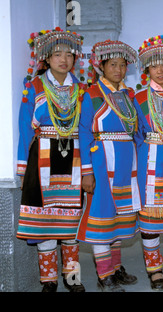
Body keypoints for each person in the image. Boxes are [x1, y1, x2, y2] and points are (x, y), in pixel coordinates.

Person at [16, 27, 86, 292]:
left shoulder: (81, 90)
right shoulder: (33, 87)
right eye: (57, 54)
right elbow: (25, 129)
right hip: (42, 156)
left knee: (70, 221)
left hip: (74, 158)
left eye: (68, 54)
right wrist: (22, 169)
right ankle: (48, 280)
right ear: (45, 58)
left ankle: (72, 277)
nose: (63, 60)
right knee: (44, 222)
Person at [77, 39, 141, 292]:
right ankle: (105, 275)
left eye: (123, 65)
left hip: (127, 161)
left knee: (120, 218)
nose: (118, 70)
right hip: (103, 160)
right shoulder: (92, 95)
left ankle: (115, 268)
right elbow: (84, 133)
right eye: (113, 64)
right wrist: (87, 171)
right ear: (101, 66)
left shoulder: (128, 95)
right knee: (103, 217)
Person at [134, 35, 163, 290]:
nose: (160, 70)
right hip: (148, 161)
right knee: (150, 220)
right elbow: (134, 133)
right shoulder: (138, 98)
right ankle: (154, 271)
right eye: (154, 65)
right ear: (146, 69)